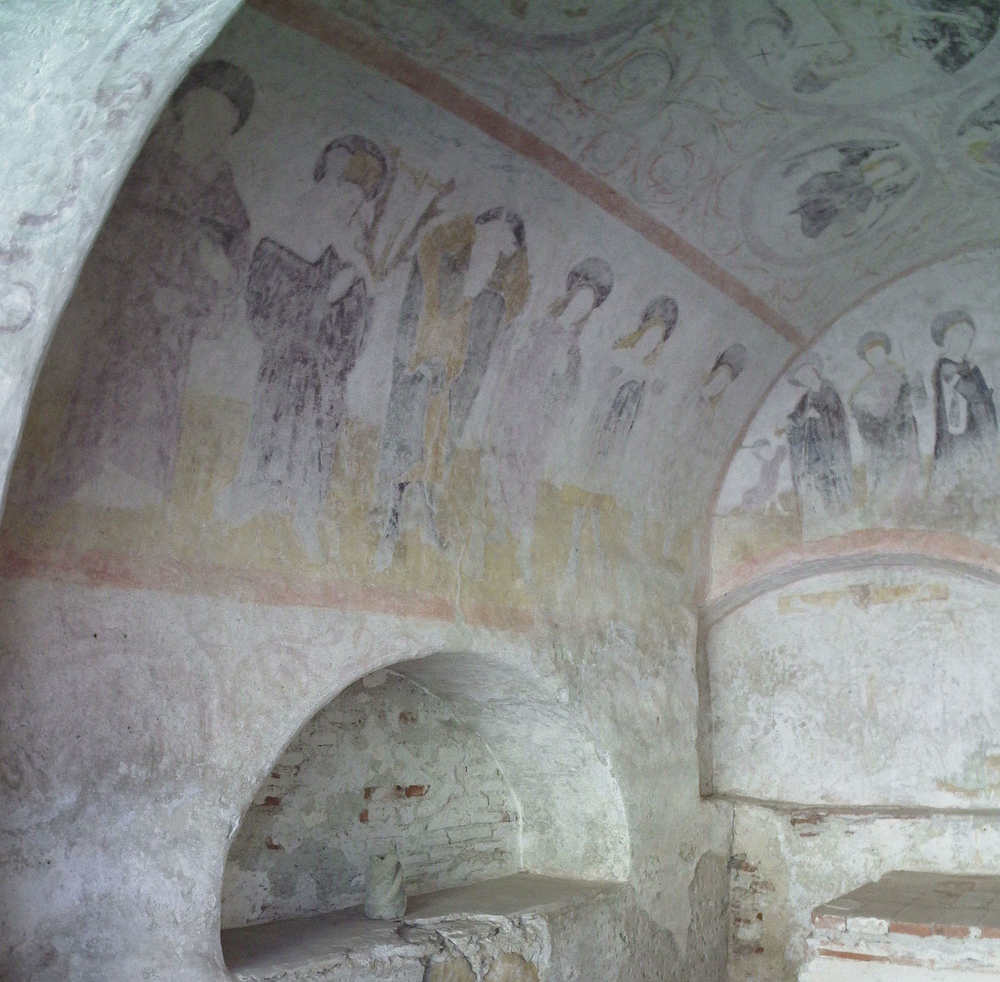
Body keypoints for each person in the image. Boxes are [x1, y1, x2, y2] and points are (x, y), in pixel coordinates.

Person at [29, 60, 254, 513]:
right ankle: (74, 489)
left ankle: (136, 503)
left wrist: (210, 281)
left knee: (150, 428)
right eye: (205, 113)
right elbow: (102, 243)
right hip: (118, 322)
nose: (210, 128)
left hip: (171, 337)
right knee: (99, 411)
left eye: (222, 122)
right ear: (182, 111)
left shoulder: (226, 198)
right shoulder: (140, 169)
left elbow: (232, 281)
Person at [218, 137, 385, 553]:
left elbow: (353, 335)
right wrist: (324, 296)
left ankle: (305, 516)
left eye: (355, 196)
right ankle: (255, 497)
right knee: (274, 433)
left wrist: (353, 282)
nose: (346, 202)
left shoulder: (353, 259)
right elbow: (265, 305)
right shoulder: (285, 239)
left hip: (324, 378)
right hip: (285, 367)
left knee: (314, 446)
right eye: (338, 186)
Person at [485, 257, 613, 583]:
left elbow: (567, 399)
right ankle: (500, 533)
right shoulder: (535, 328)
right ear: (569, 297)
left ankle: (522, 551)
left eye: (586, 307)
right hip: (511, 419)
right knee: (499, 475)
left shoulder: (573, 351)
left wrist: (552, 422)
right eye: (578, 300)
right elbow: (506, 367)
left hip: (537, 434)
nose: (579, 309)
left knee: (525, 487)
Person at [929, 310, 999, 507]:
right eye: (959, 334)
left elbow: (980, 391)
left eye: (968, 335)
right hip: (959, 429)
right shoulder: (947, 367)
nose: (966, 339)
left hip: (977, 426)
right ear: (946, 339)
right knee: (958, 467)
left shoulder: (969, 365)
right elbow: (969, 391)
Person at [848, 330, 919, 519]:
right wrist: (866, 408)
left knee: (903, 475)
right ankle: (881, 513)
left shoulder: (899, 375)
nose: (874, 357)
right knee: (879, 474)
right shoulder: (867, 382)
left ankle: (902, 513)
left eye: (877, 352)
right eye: (870, 355)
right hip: (878, 440)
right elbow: (856, 406)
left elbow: (908, 401)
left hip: (901, 435)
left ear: (885, 352)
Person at [786, 355, 853, 530]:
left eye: (807, 374)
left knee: (835, 482)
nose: (806, 379)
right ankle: (830, 519)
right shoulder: (806, 398)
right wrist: (802, 419)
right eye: (802, 378)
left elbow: (839, 419)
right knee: (821, 483)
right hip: (814, 452)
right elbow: (796, 420)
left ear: (815, 372)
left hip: (831, 450)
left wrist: (820, 416)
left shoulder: (829, 392)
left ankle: (843, 518)